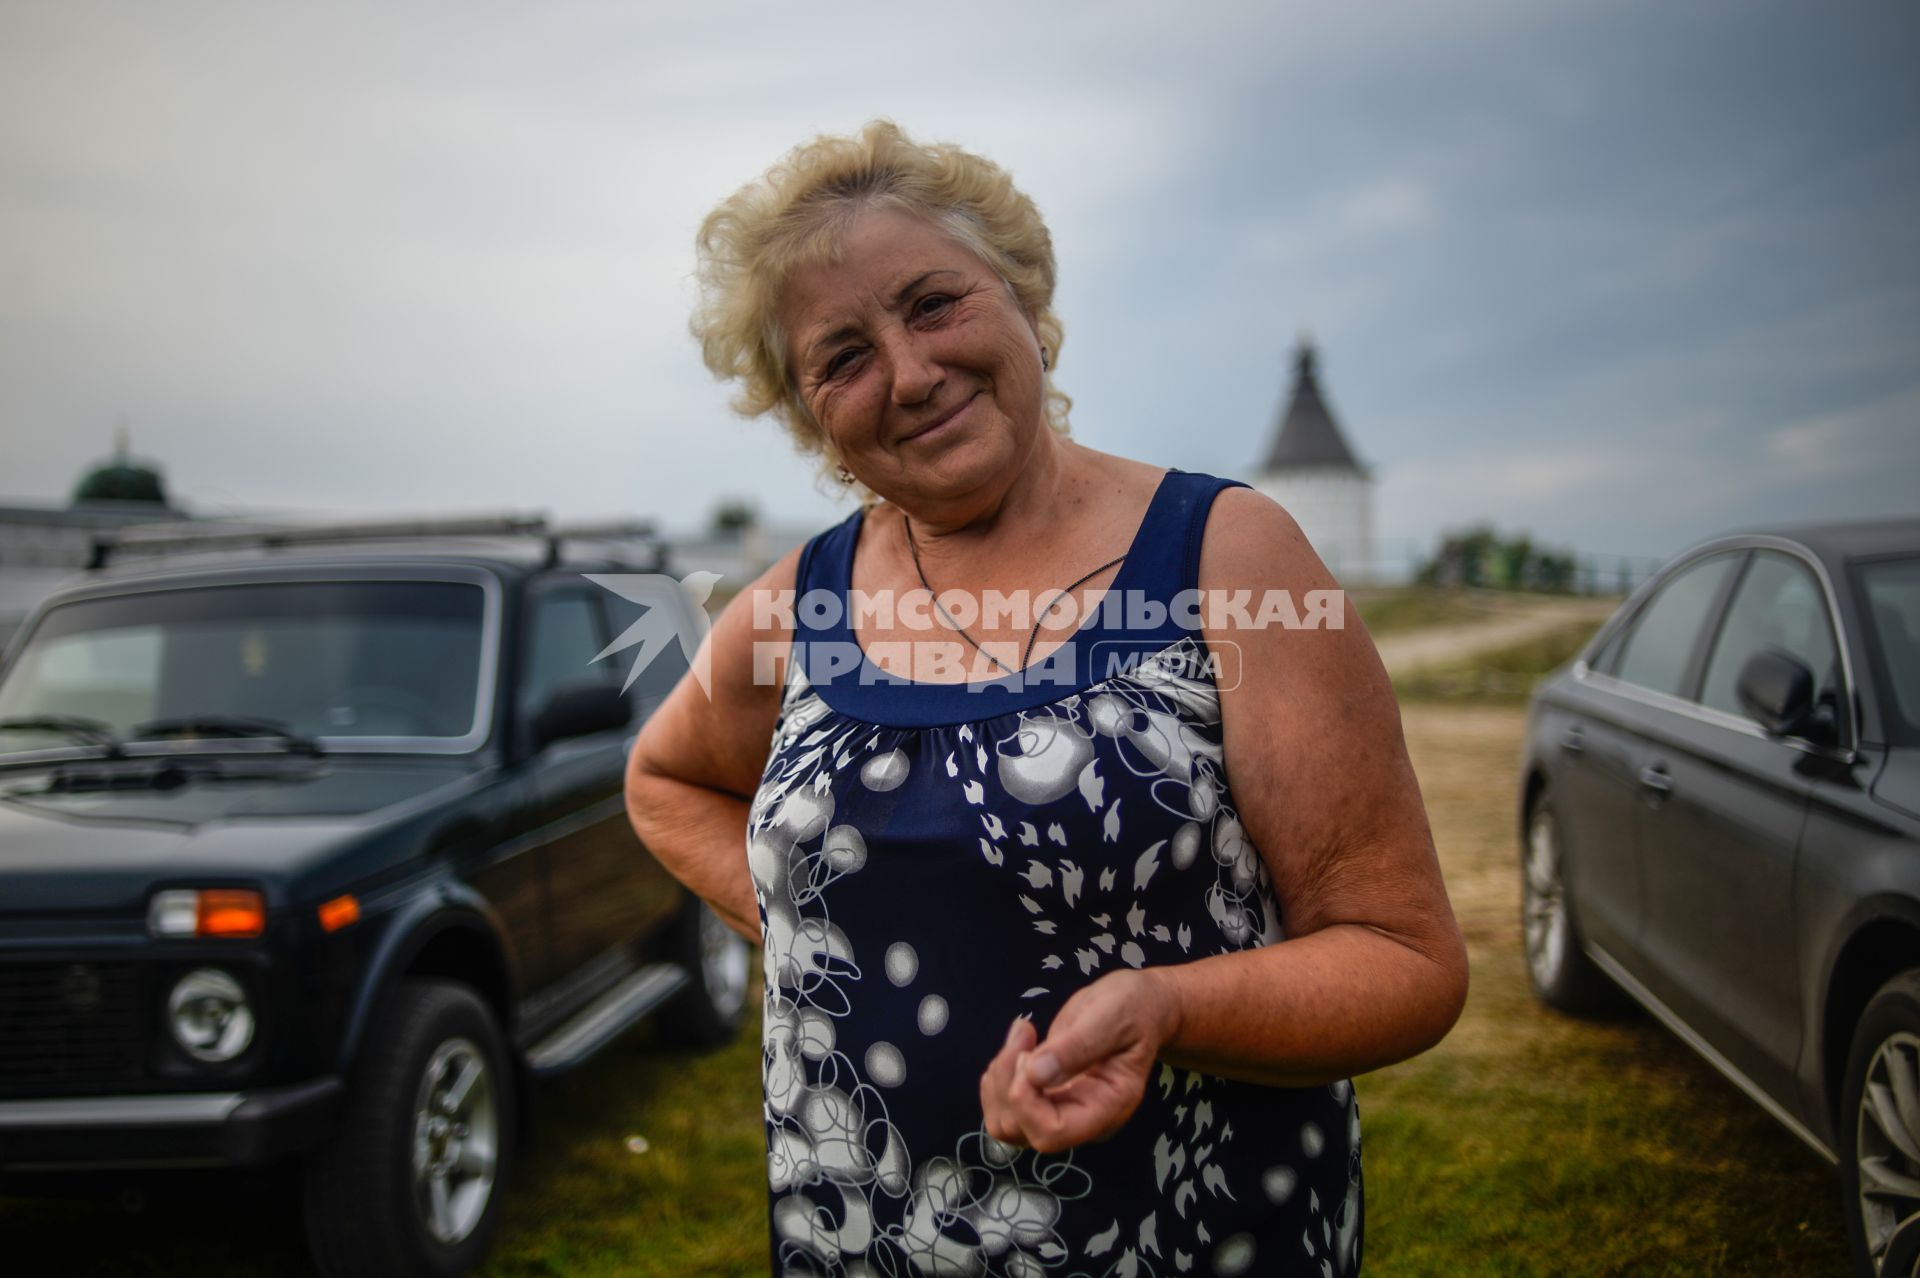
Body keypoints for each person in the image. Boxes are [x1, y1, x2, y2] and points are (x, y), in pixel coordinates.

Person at [626, 120, 1467, 1277]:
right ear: (810, 413)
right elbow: (663, 779)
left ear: (1024, 294)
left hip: (1187, 1234)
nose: (911, 375)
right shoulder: (802, 600)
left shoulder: (1224, 556)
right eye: (844, 357)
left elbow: (1402, 959)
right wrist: (817, 933)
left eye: (933, 303)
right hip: (860, 1238)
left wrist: (1167, 1008)